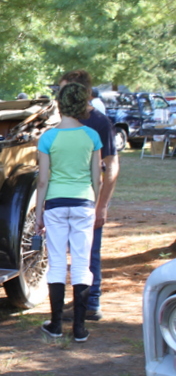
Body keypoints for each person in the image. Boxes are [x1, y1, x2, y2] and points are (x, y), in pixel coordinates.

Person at [35, 82, 102, 342]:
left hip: (55, 203)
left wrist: (39, 211)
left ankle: (55, 324)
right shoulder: (92, 136)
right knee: (82, 262)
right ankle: (80, 328)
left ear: (60, 104)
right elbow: (98, 178)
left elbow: (43, 180)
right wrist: (95, 206)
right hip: (84, 202)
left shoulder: (48, 137)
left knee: (57, 262)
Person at [59, 70, 119, 322]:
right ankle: (80, 299)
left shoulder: (100, 122)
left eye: (65, 90)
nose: (60, 96)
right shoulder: (62, 119)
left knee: (89, 252)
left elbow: (112, 165)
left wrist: (102, 205)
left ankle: (92, 301)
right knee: (70, 252)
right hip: (64, 198)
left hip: (88, 199)